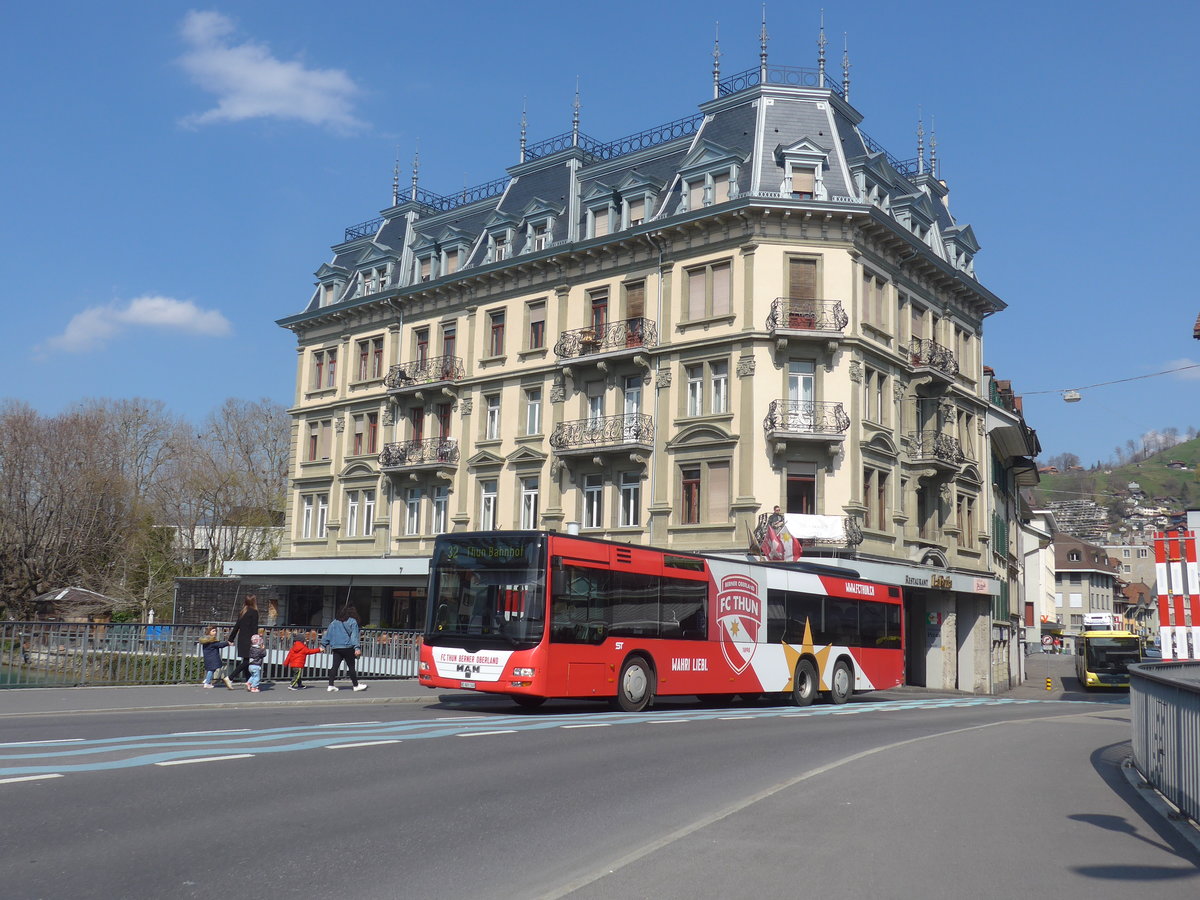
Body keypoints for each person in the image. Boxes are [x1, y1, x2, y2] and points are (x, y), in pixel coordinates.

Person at [321, 607, 367, 693]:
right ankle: (355, 685)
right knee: (351, 667)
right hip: (347, 647)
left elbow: (328, 634)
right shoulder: (352, 621)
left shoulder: (334, 622)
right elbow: (354, 636)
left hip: (336, 647)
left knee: (334, 666)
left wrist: (323, 645)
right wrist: (357, 647)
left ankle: (330, 685)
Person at [227, 594, 260, 683]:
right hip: (249, 640)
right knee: (247, 661)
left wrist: (231, 638)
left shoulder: (242, 612)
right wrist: (257, 641)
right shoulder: (254, 612)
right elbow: (254, 627)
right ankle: (230, 677)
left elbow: (237, 626)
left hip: (241, 639)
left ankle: (248, 681)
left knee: (246, 660)